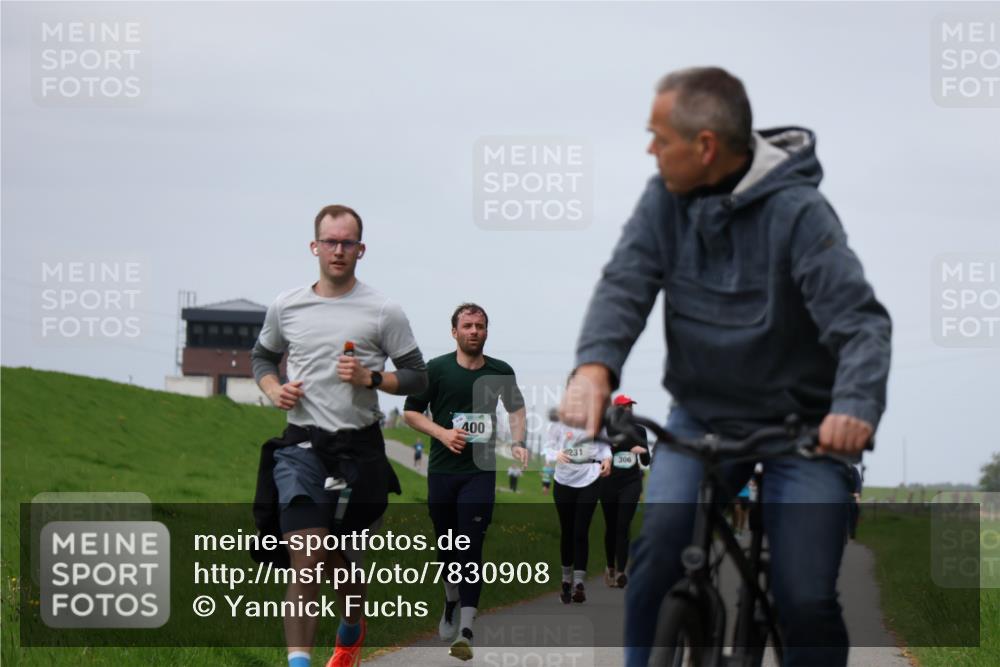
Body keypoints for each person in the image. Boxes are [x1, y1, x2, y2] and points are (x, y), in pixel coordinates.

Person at [560, 67, 892, 667]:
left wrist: (854, 406)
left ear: (705, 146)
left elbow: (860, 323)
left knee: (804, 594)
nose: (650, 150)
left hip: (806, 428)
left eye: (659, 137)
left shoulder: (801, 214)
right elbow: (626, 283)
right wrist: (594, 368)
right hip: (704, 414)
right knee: (659, 550)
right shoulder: (664, 200)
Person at [251, 204, 428, 667]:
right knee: (305, 558)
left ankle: (352, 625)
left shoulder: (383, 310)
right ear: (314, 246)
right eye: (330, 241)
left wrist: (372, 379)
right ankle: (299, 662)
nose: (338, 250)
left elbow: (417, 377)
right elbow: (262, 358)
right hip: (301, 448)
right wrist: (274, 389)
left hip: (358, 451)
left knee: (340, 561)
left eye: (347, 242)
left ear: (361, 250)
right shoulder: (286, 305)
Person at [403, 303, 528, 662]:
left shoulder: (500, 371)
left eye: (481, 326)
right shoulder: (437, 369)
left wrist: (518, 441)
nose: (474, 331)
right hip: (443, 472)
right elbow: (411, 412)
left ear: (487, 331)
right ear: (454, 331)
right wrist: (442, 433)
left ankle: (467, 630)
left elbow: (516, 410)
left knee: (471, 546)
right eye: (468, 325)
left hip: (479, 472)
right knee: (447, 548)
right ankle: (451, 600)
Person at [544, 415, 611, 604]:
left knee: (581, 531)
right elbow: (548, 446)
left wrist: (607, 458)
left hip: (590, 475)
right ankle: (566, 580)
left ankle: (579, 584)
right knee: (567, 531)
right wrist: (554, 454)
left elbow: (604, 445)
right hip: (564, 478)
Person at [599, 394, 649, 588]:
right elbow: (603, 451)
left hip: (631, 482)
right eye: (624, 406)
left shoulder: (639, 430)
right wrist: (628, 446)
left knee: (623, 525)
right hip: (609, 483)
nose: (628, 409)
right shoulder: (606, 429)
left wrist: (644, 451)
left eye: (630, 406)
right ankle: (610, 567)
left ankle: (621, 572)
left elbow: (646, 461)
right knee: (611, 527)